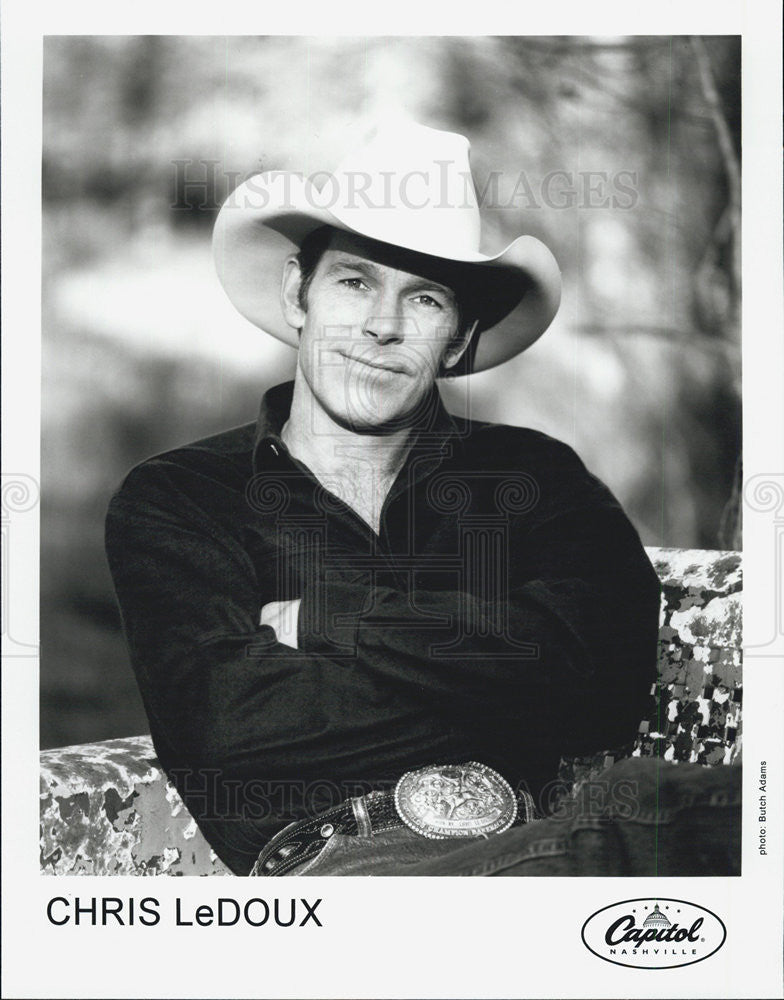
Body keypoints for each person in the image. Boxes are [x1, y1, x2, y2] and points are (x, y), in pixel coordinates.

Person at [105, 121, 665, 877]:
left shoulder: (532, 476)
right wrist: (504, 674)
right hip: (352, 866)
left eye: (426, 299)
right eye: (355, 281)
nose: (382, 326)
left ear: (460, 339)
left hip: (569, 839)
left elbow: (608, 676)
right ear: (297, 292)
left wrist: (331, 623)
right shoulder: (181, 498)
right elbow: (228, 732)